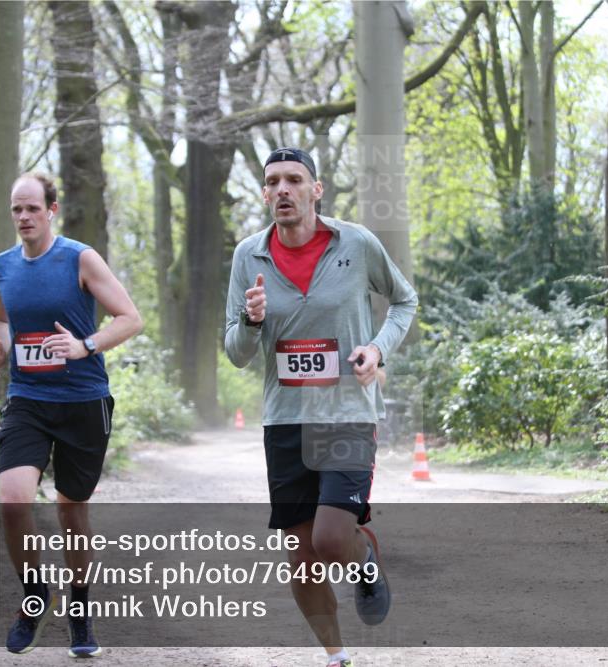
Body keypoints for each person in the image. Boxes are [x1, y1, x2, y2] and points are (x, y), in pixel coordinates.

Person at [224, 148, 418, 667]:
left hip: (348, 410)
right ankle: (336, 656)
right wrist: (251, 319)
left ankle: (364, 560)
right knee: (302, 556)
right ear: (264, 194)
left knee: (332, 539)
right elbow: (237, 354)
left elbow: (404, 300)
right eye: (273, 182)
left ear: (317, 189)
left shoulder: (355, 242)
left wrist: (376, 349)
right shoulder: (249, 255)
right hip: (285, 418)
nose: (282, 189)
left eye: (294, 180)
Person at [0, 172, 143, 657]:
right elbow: (2, 319)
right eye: (17, 210)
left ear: (52, 210)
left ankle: (80, 609)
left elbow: (130, 318)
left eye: (33, 208)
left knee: (72, 513)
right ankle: (35, 596)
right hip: (28, 400)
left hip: (83, 402)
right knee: (12, 499)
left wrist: (83, 345)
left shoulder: (79, 258)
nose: (24, 217)